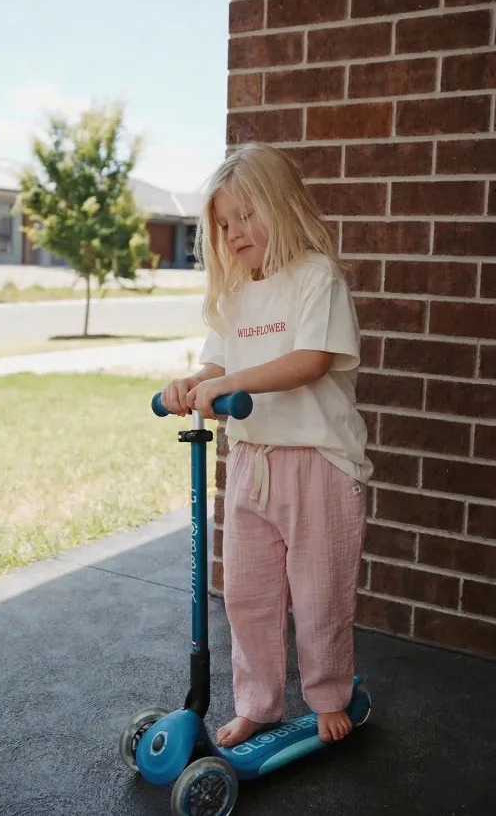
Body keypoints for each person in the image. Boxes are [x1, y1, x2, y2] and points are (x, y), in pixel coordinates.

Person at [161, 142, 372, 748]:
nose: (233, 232)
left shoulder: (315, 277)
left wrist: (232, 384)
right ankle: (258, 702)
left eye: (246, 215)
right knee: (248, 593)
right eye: (224, 223)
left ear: (282, 207)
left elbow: (311, 360)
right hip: (252, 461)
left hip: (317, 463)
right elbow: (217, 365)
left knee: (319, 592)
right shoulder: (235, 294)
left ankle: (329, 694)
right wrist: (190, 384)